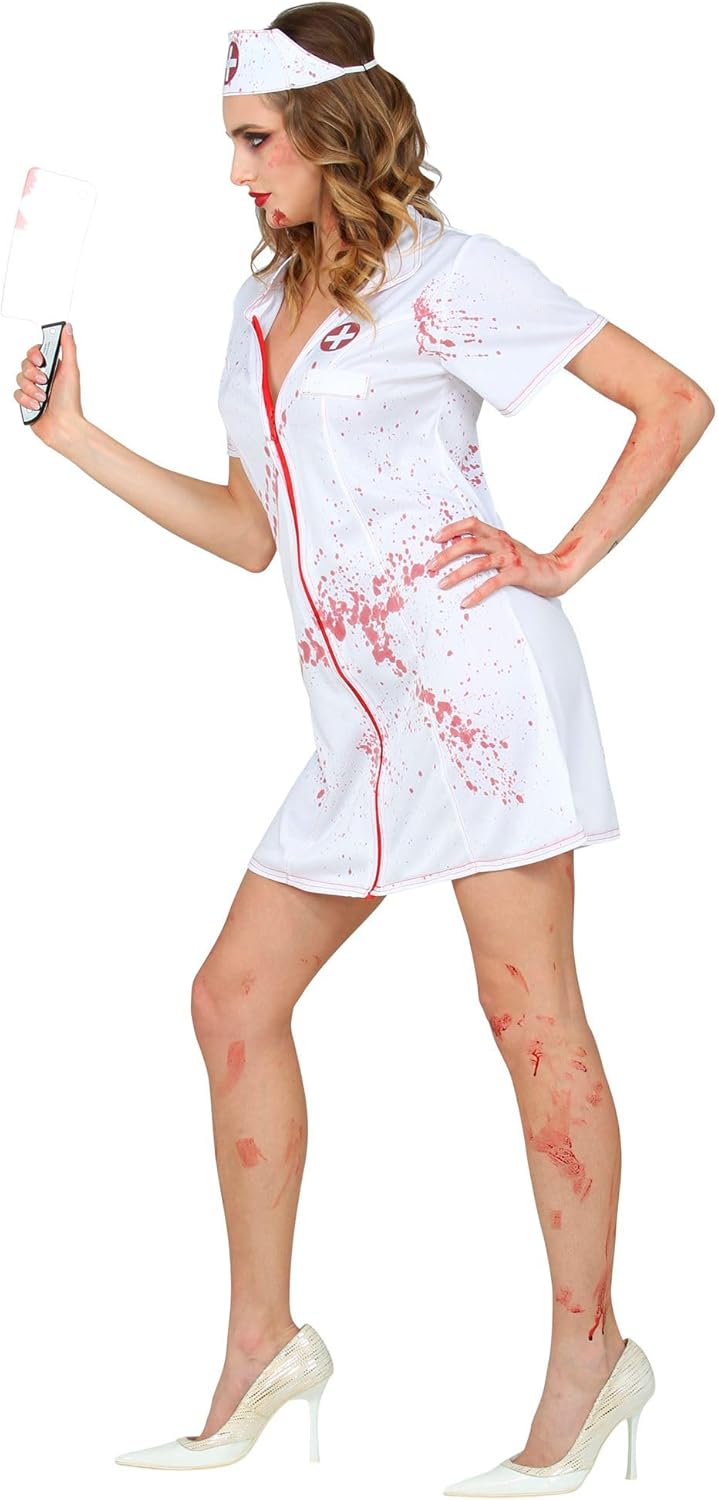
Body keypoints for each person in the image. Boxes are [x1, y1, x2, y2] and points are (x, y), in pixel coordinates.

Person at [14, 4, 713, 1490]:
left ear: (331, 136)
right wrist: (76, 437)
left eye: (254, 141)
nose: (235, 173)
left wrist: (558, 561)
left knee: (528, 1020)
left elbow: (671, 401)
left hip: (481, 700)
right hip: (358, 727)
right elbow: (249, 533)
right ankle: (262, 1346)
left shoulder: (454, 279)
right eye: (232, 143)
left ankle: (591, 1360)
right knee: (231, 998)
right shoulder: (252, 309)